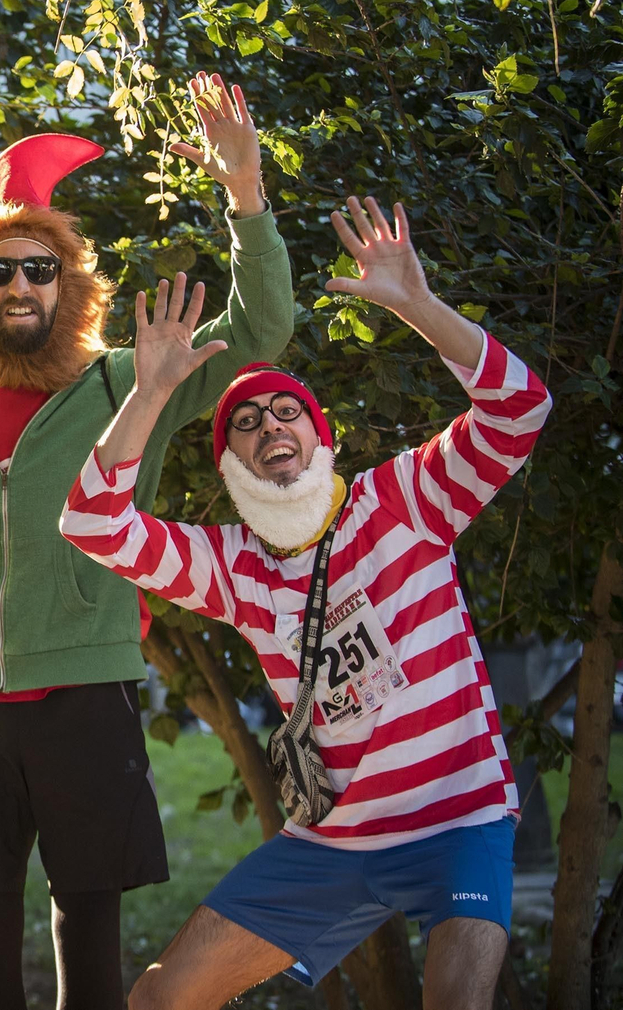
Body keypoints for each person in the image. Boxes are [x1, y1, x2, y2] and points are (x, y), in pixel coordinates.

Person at [0, 73, 295, 1009]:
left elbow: (259, 332)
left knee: (89, 952)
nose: (19, 285)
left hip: (86, 694)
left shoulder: (131, 382)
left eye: (39, 269)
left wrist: (246, 196)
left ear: (68, 283)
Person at [59, 197, 549, 1010]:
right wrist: (148, 395)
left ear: (320, 437)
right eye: (246, 423)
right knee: (156, 1000)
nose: (271, 426)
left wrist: (419, 306)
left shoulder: (403, 501)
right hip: (332, 842)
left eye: (288, 412)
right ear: (231, 465)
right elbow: (92, 523)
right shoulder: (234, 567)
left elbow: (519, 408)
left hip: (457, 821)